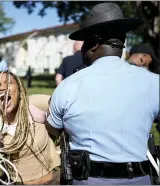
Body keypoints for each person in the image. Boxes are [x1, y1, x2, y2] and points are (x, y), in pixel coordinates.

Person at [44, 3, 159, 185]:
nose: (82, 49)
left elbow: (52, 128)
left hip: (88, 180)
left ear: (94, 42)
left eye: (85, 41)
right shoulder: (154, 82)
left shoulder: (68, 86)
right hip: (141, 179)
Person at [0, 71, 61, 185]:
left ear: (20, 89)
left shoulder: (33, 105)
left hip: (51, 181)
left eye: (8, 83)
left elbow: (64, 103)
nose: (2, 88)